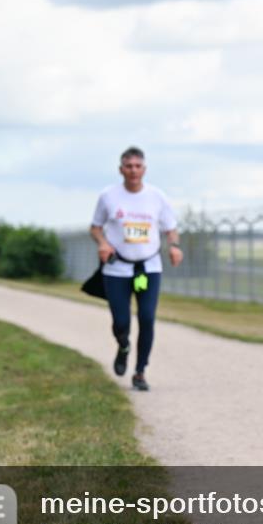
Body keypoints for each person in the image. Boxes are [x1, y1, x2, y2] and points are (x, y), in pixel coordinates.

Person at [90, 146, 182, 391]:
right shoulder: (108, 196)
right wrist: (103, 243)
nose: (133, 170)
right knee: (121, 322)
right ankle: (123, 346)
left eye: (138, 166)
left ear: (144, 169)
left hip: (149, 268)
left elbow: (171, 228)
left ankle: (140, 372)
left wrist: (174, 246)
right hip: (117, 269)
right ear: (121, 169)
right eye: (128, 166)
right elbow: (96, 227)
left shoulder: (157, 197)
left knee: (147, 318)